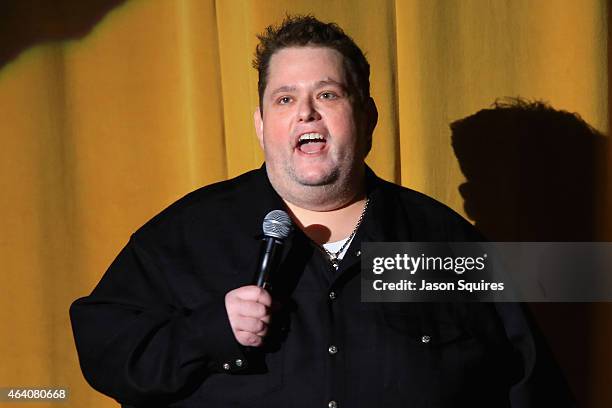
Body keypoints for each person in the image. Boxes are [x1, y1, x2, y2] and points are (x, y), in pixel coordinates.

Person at [70, 15, 573, 408]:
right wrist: (208, 331)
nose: (306, 112)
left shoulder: (446, 244)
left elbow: (529, 386)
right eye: (285, 98)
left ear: (368, 116)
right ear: (262, 124)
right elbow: (107, 352)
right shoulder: (187, 236)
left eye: (327, 94)